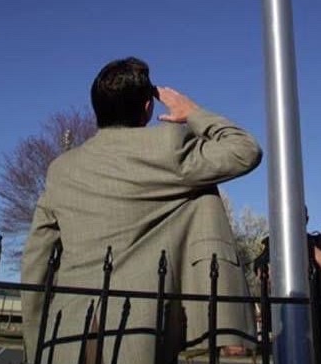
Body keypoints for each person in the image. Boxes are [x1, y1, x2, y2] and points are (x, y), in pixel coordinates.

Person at [21, 57, 262, 364]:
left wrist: (35, 342)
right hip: (138, 331)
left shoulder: (61, 169)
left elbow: (36, 260)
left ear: (97, 109)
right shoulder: (168, 147)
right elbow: (245, 149)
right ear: (148, 107)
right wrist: (192, 113)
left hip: (66, 335)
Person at [253, 209, 321, 364]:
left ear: (306, 219)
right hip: (283, 318)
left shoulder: (318, 241)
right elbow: (262, 273)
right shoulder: (271, 242)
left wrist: (304, 244)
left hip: (317, 317)